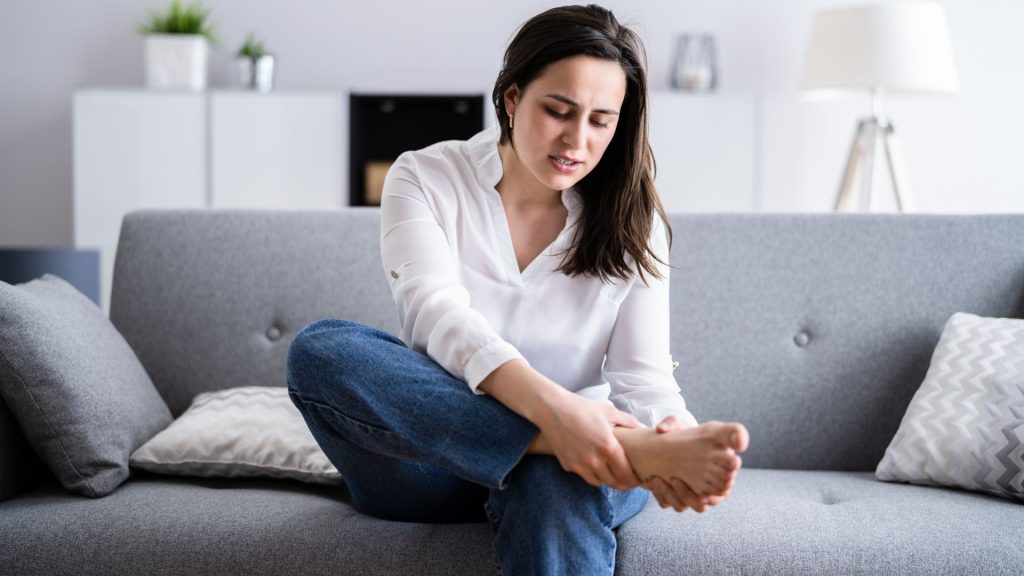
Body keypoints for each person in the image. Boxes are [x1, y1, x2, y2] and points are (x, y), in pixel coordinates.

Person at [286, 4, 749, 574]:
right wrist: (559, 419)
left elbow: (642, 377)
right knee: (323, 351)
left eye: (602, 120)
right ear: (511, 98)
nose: (577, 140)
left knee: (555, 474)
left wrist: (672, 435)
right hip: (435, 464)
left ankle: (579, 448)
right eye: (559, 110)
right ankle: (581, 443)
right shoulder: (426, 177)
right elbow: (435, 314)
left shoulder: (634, 217)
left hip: (585, 462)